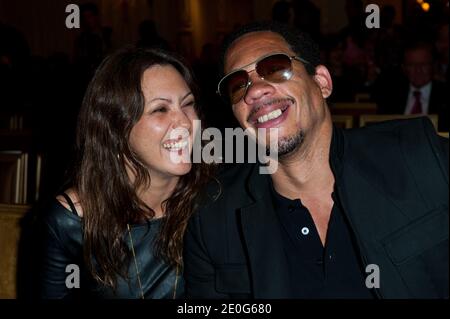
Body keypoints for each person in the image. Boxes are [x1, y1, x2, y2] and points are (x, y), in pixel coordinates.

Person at [183, 22, 449, 299]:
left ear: (322, 82)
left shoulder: (420, 158)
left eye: (274, 68)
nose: (254, 91)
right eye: (238, 85)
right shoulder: (213, 216)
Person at [38, 47, 212, 299]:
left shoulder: (213, 198)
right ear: (116, 128)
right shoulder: (71, 222)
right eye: (160, 110)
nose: (185, 122)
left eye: (188, 104)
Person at [375, 42, 449, 131]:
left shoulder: (445, 95)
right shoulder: (391, 95)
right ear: (404, 68)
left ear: (433, 66)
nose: (418, 70)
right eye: (411, 65)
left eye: (423, 64)